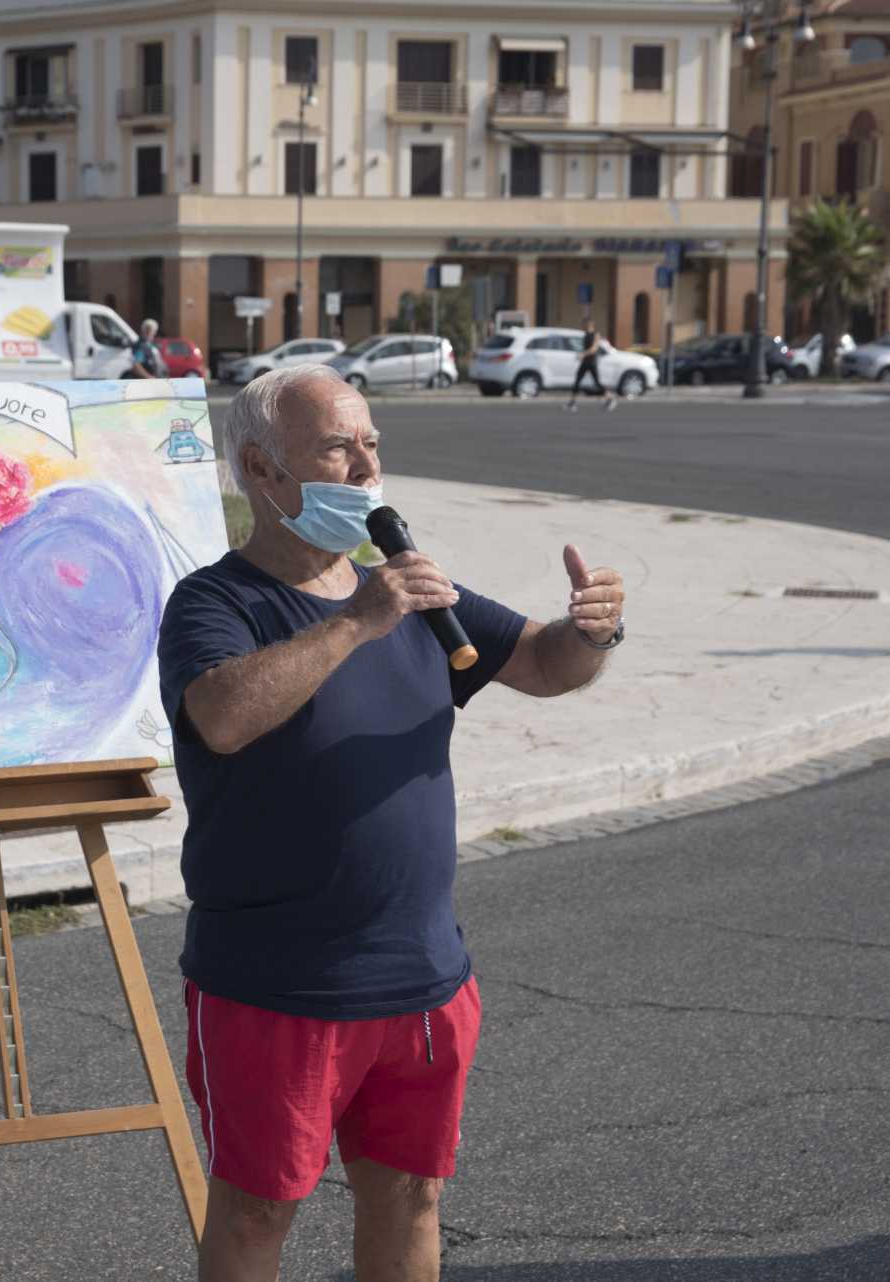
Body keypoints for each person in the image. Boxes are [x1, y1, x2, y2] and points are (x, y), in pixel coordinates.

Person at [157, 364, 626, 1282]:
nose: (367, 466)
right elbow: (221, 715)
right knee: (256, 1214)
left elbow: (540, 662)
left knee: (411, 1196)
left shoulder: (413, 592)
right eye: (338, 447)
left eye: (372, 443)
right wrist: (352, 624)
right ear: (262, 468)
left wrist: (591, 633)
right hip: (276, 986)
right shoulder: (217, 602)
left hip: (421, 979)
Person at [566, 322, 615, 412]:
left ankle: (609, 398)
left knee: (597, 382)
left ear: (591, 326)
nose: (584, 327)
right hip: (585, 362)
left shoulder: (596, 335)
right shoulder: (585, 335)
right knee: (577, 381)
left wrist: (583, 354)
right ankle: (572, 403)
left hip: (592, 362)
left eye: (586, 325)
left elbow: (594, 349)